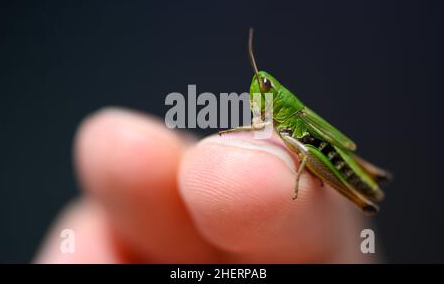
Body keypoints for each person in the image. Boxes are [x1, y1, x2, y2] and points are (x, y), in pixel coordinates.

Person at [35, 107, 375, 263]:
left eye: (266, 89)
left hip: (326, 153)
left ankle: (366, 188)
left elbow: (302, 148)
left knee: (303, 155)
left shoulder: (295, 116)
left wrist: (300, 180)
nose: (259, 93)